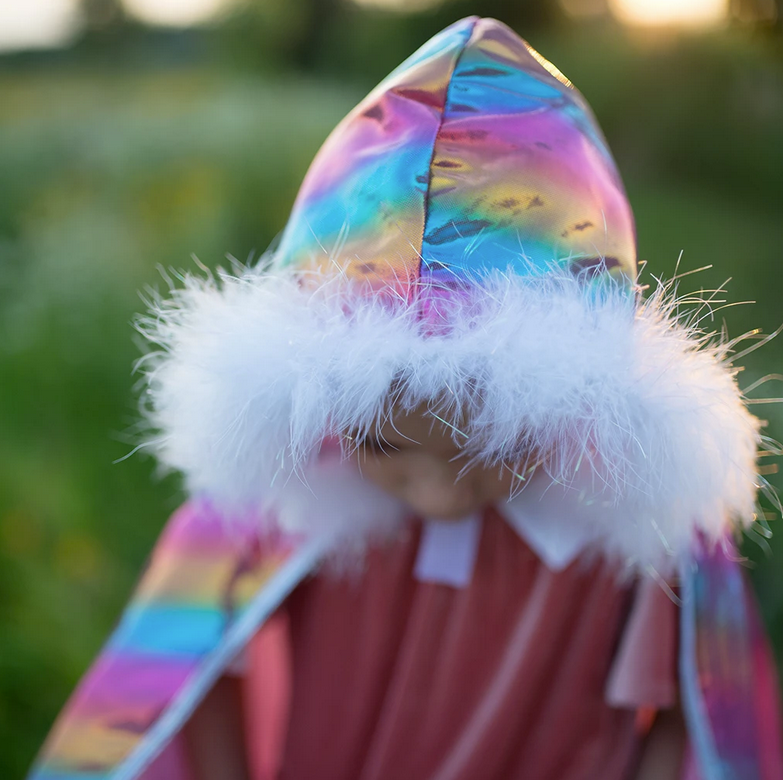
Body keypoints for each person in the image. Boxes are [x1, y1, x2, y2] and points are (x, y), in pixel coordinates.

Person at [28, 16, 782, 780]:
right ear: (322, 413)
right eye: (384, 446)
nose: (441, 496)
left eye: (500, 446)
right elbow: (191, 682)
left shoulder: (627, 541)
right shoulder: (296, 507)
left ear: (577, 404)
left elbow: (693, 720)